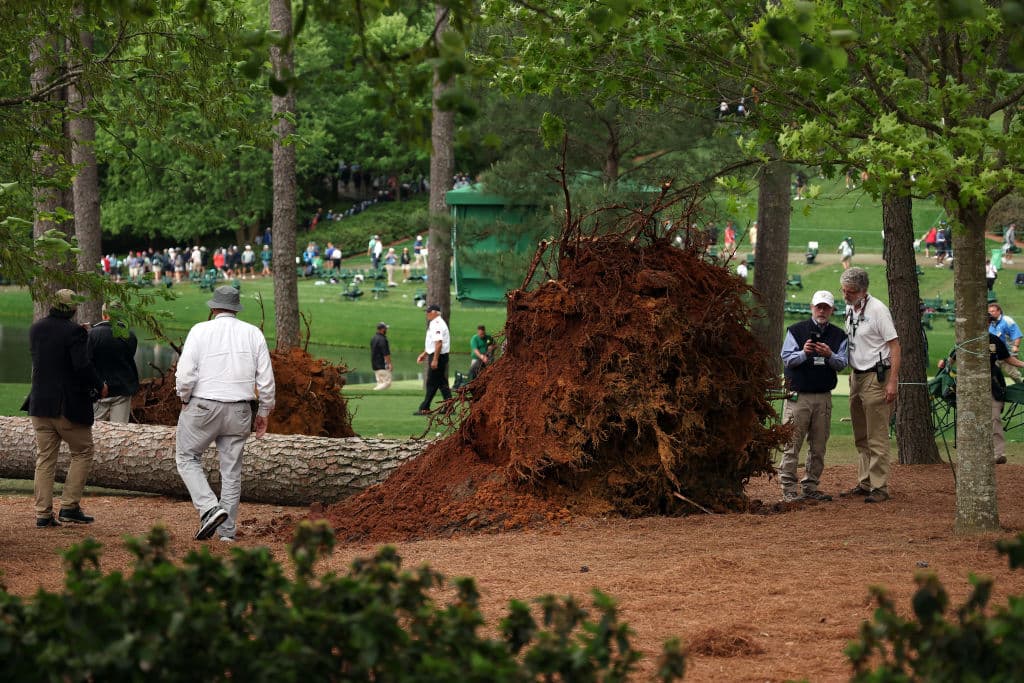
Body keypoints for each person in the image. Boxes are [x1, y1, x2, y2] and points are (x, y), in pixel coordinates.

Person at [175, 286, 275, 542]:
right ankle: (226, 533)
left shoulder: (200, 330)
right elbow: (265, 380)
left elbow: (185, 374)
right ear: (236, 308)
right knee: (231, 472)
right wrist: (263, 411)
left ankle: (209, 507)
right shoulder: (253, 333)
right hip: (240, 408)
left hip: (204, 406)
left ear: (213, 307)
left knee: (187, 457)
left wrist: (184, 397)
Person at [23, 289, 107, 527]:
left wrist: (81, 333)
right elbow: (81, 366)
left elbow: (52, 354)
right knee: (83, 451)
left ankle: (43, 513)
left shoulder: (36, 329)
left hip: (39, 404)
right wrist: (100, 384)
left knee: (45, 459)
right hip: (66, 406)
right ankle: (69, 506)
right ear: (72, 309)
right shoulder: (74, 332)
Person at [777, 291, 849, 502]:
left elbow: (843, 363)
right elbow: (787, 359)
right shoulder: (796, 331)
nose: (822, 311)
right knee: (792, 444)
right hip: (798, 397)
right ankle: (788, 488)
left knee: (818, 446)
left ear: (832, 310)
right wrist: (804, 353)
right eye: (819, 307)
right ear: (811, 307)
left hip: (823, 397)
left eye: (826, 307)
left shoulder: (839, 336)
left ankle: (810, 486)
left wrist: (829, 355)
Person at [838, 267, 900, 503]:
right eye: (843, 290)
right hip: (856, 375)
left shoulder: (878, 311)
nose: (846, 295)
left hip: (877, 375)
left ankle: (880, 486)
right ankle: (864, 482)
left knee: (877, 435)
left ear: (863, 291)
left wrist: (892, 381)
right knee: (860, 434)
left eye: (850, 291)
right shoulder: (850, 308)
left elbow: (895, 346)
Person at [88, 302, 139, 423]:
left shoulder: (91, 335)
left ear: (104, 315)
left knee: (95, 430)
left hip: (99, 390)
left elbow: (87, 363)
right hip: (123, 388)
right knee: (120, 430)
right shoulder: (130, 336)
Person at [414, 304, 451, 415]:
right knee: (441, 382)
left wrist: (435, 359)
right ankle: (449, 406)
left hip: (438, 356)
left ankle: (425, 407)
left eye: (429, 312)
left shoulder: (437, 324)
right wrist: (425, 353)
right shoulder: (435, 323)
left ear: (435, 312)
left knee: (431, 382)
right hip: (437, 355)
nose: (427, 314)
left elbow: (439, 343)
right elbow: (433, 342)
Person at [989, 303, 1023, 382]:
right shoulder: (989, 322)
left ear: (999, 311)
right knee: (993, 373)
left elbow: (1017, 334)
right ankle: (998, 391)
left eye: (993, 311)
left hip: (1007, 352)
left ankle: (1020, 385)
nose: (990, 313)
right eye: (989, 311)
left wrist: (1016, 346)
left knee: (1013, 373)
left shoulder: (1007, 320)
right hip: (994, 353)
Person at [371, 322, 393, 391]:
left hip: (375, 365)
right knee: (387, 382)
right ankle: (374, 391)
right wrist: (389, 364)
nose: (386, 330)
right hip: (382, 365)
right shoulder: (383, 339)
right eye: (385, 328)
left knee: (380, 383)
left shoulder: (373, 338)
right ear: (382, 329)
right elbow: (386, 353)